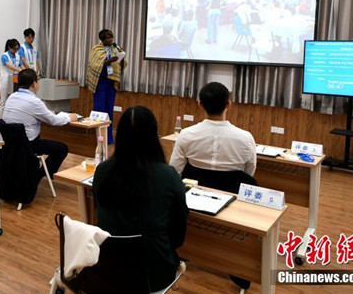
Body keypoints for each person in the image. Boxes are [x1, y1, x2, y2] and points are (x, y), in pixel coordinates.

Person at [93, 106, 188, 292]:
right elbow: (178, 231)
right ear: (154, 137)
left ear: (119, 136)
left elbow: (100, 213)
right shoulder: (168, 176)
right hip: (153, 274)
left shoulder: (102, 170)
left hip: (107, 268)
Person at [2, 69, 78, 178]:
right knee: (62, 149)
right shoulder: (34, 101)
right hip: (27, 143)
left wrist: (47, 113)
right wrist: (69, 118)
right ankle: (39, 175)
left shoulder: (11, 97)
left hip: (10, 142)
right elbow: (54, 121)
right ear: (34, 83)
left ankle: (36, 173)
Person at [170, 81, 256, 176]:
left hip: (193, 185)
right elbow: (249, 174)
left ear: (200, 105)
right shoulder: (246, 138)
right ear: (228, 105)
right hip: (233, 186)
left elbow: (175, 170)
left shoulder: (186, 135)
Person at [85, 29, 127, 144]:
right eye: (107, 38)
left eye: (111, 37)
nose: (110, 40)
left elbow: (122, 65)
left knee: (109, 110)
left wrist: (121, 57)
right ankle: (99, 137)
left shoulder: (115, 48)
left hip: (111, 83)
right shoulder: (96, 49)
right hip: (100, 83)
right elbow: (94, 65)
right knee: (100, 109)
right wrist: (109, 61)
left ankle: (108, 137)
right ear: (102, 40)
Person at [0, 38, 23, 106]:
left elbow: (22, 66)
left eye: (17, 49)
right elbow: (10, 66)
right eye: (14, 49)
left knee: (14, 101)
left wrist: (25, 71)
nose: (16, 51)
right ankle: (2, 113)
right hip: (6, 79)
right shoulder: (4, 56)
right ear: (9, 47)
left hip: (15, 80)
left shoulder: (17, 56)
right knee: (4, 101)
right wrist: (20, 70)